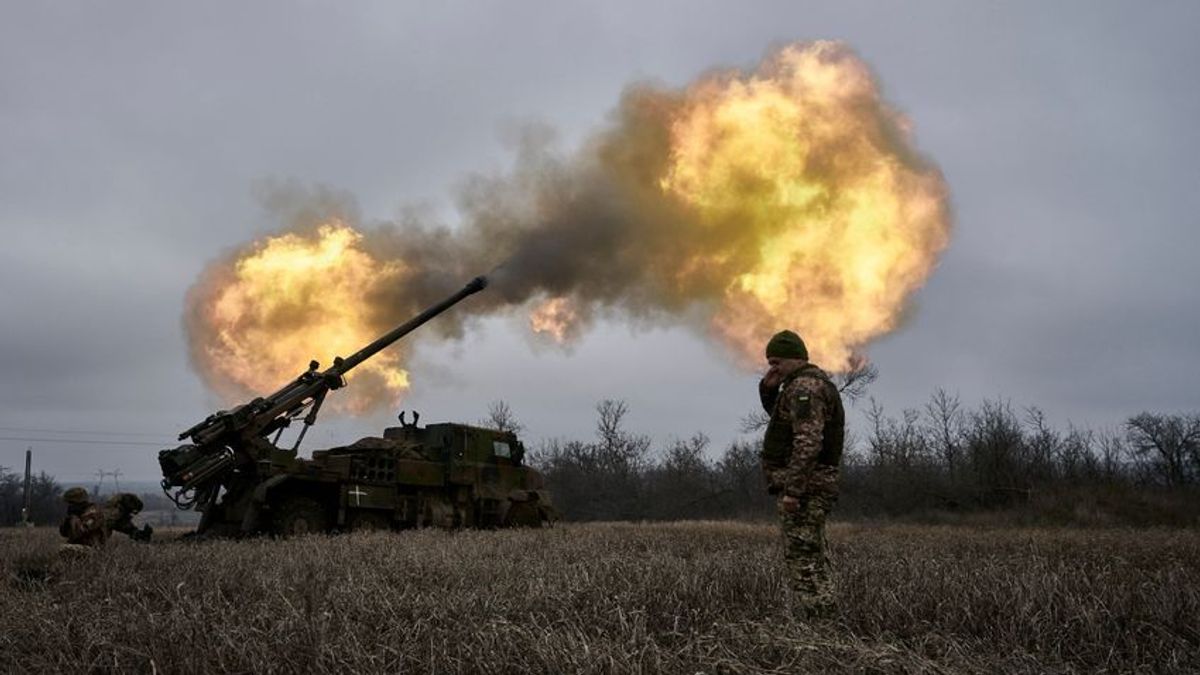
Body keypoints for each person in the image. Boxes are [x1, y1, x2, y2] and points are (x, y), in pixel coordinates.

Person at [758, 330, 846, 620]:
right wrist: (768, 391)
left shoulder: (804, 388)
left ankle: (822, 627)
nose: (773, 368)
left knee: (803, 559)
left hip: (807, 490)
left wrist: (794, 491)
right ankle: (827, 619)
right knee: (813, 556)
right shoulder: (805, 385)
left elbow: (807, 443)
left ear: (795, 359)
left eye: (776, 362)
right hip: (813, 486)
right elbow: (784, 422)